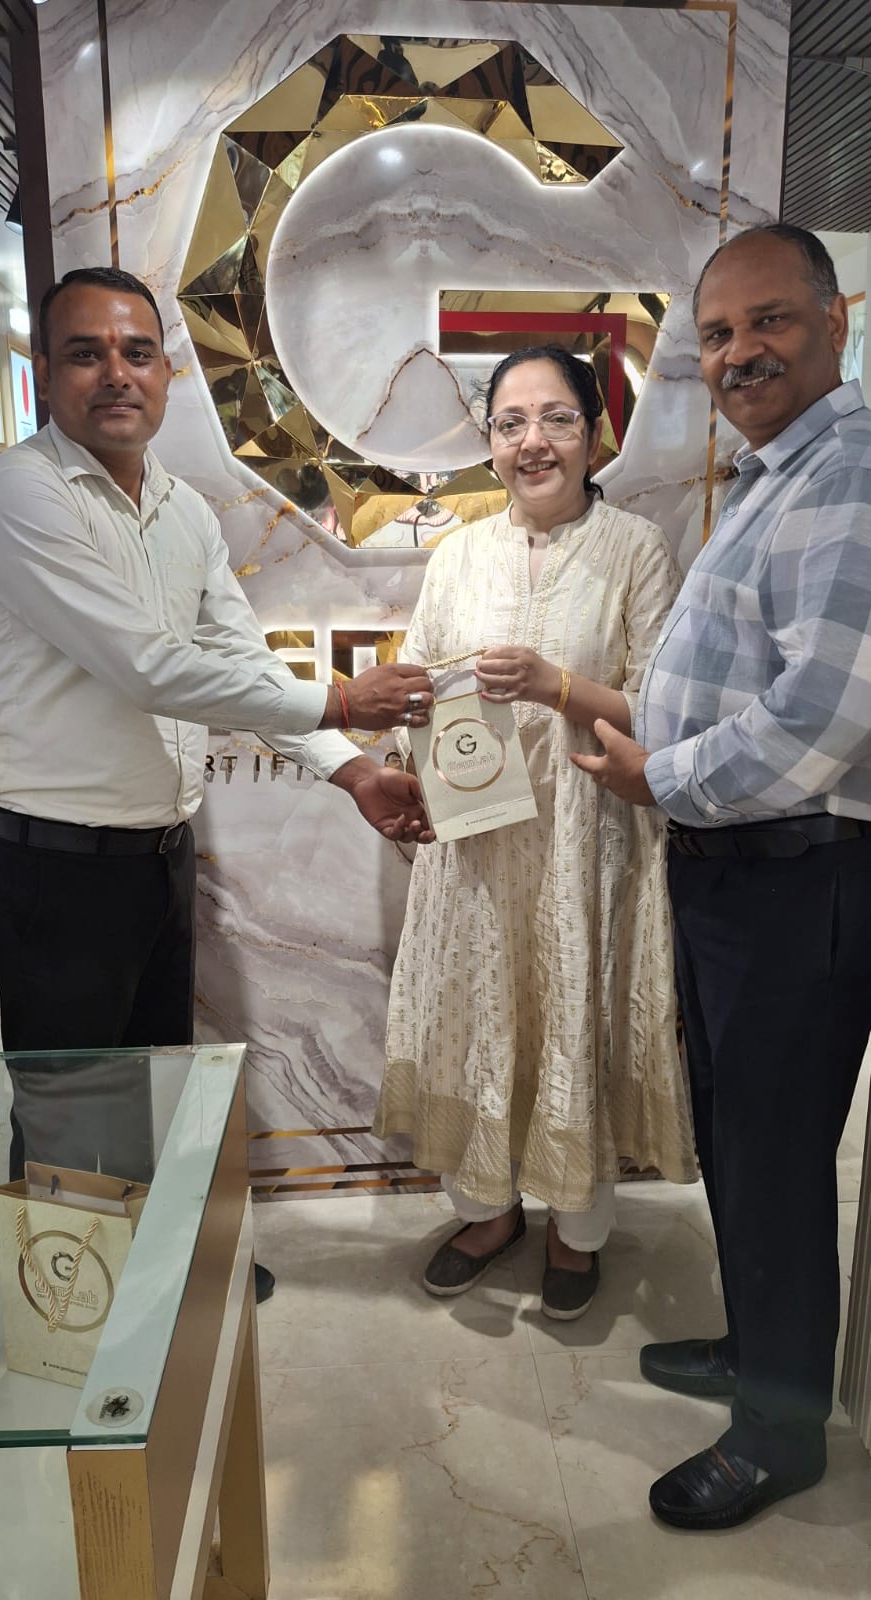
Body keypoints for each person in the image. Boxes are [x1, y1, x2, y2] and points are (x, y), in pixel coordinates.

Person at [0, 266, 434, 1304]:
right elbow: (149, 668)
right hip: (54, 864)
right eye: (86, 353)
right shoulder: (19, 497)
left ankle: (163, 1283)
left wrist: (353, 770)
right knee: (68, 1105)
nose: (115, 373)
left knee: (155, 1084)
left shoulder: (179, 507)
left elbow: (236, 659)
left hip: (156, 854)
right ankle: (75, 1325)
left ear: (167, 373)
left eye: (136, 352)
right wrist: (343, 702)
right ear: (44, 372)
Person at [572, 224, 871, 1528]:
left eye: (769, 321)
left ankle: (779, 1435)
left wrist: (662, 778)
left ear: (835, 323)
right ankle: (762, 1355)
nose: (740, 352)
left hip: (798, 880)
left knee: (778, 1158)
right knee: (741, 1144)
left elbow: (824, 713)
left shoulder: (851, 472)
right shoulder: (774, 475)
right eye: (717, 333)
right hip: (739, 871)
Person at [375, 345, 697, 1318]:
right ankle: (486, 1212)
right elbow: (418, 678)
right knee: (478, 1019)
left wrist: (559, 686)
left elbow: (663, 710)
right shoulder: (459, 554)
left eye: (556, 418)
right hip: (478, 849)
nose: (533, 442)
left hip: (584, 848)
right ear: (489, 442)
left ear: (594, 433)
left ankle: (576, 1228)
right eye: (511, 423)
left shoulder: (635, 548)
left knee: (573, 1019)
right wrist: (402, 744)